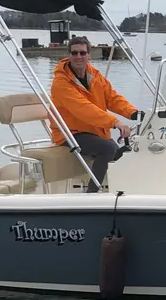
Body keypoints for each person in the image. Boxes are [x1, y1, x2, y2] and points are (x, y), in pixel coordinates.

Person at [49, 36, 141, 193]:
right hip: (70, 134)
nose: (79, 57)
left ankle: (120, 190)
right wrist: (115, 122)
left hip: (93, 131)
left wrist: (134, 113)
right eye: (75, 53)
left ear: (89, 55)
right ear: (69, 55)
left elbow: (112, 98)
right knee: (107, 149)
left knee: (120, 152)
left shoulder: (95, 75)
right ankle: (92, 194)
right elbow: (83, 108)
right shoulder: (61, 82)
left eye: (82, 53)